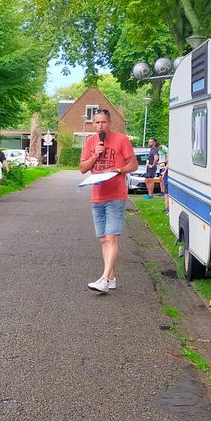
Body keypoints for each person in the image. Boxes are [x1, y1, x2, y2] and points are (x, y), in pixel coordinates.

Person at [80, 108, 138, 293]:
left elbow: (133, 164)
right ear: (92, 124)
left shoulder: (122, 140)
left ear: (109, 123)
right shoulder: (90, 142)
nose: (100, 126)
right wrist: (95, 154)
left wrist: (118, 170)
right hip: (97, 196)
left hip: (116, 195)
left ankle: (104, 279)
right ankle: (111, 278)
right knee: (103, 239)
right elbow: (82, 168)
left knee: (112, 237)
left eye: (103, 122)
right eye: (96, 122)